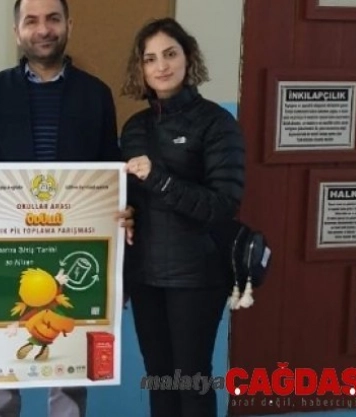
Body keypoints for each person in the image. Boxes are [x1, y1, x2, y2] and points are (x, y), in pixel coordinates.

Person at [0, 0, 133, 416]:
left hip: (74, 246)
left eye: (53, 19)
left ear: (69, 24)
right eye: (31, 21)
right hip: (4, 248)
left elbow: (109, 169)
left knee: (69, 360)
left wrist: (121, 214)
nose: (43, 29)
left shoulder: (95, 94)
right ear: (17, 31)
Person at [118, 17, 245, 417]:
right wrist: (126, 214)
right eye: (150, 58)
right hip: (145, 276)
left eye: (170, 54)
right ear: (141, 69)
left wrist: (158, 178)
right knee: (159, 380)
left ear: (188, 58)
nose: (161, 66)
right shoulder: (134, 128)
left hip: (197, 276)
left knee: (191, 380)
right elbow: (132, 200)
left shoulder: (217, 122)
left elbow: (222, 205)